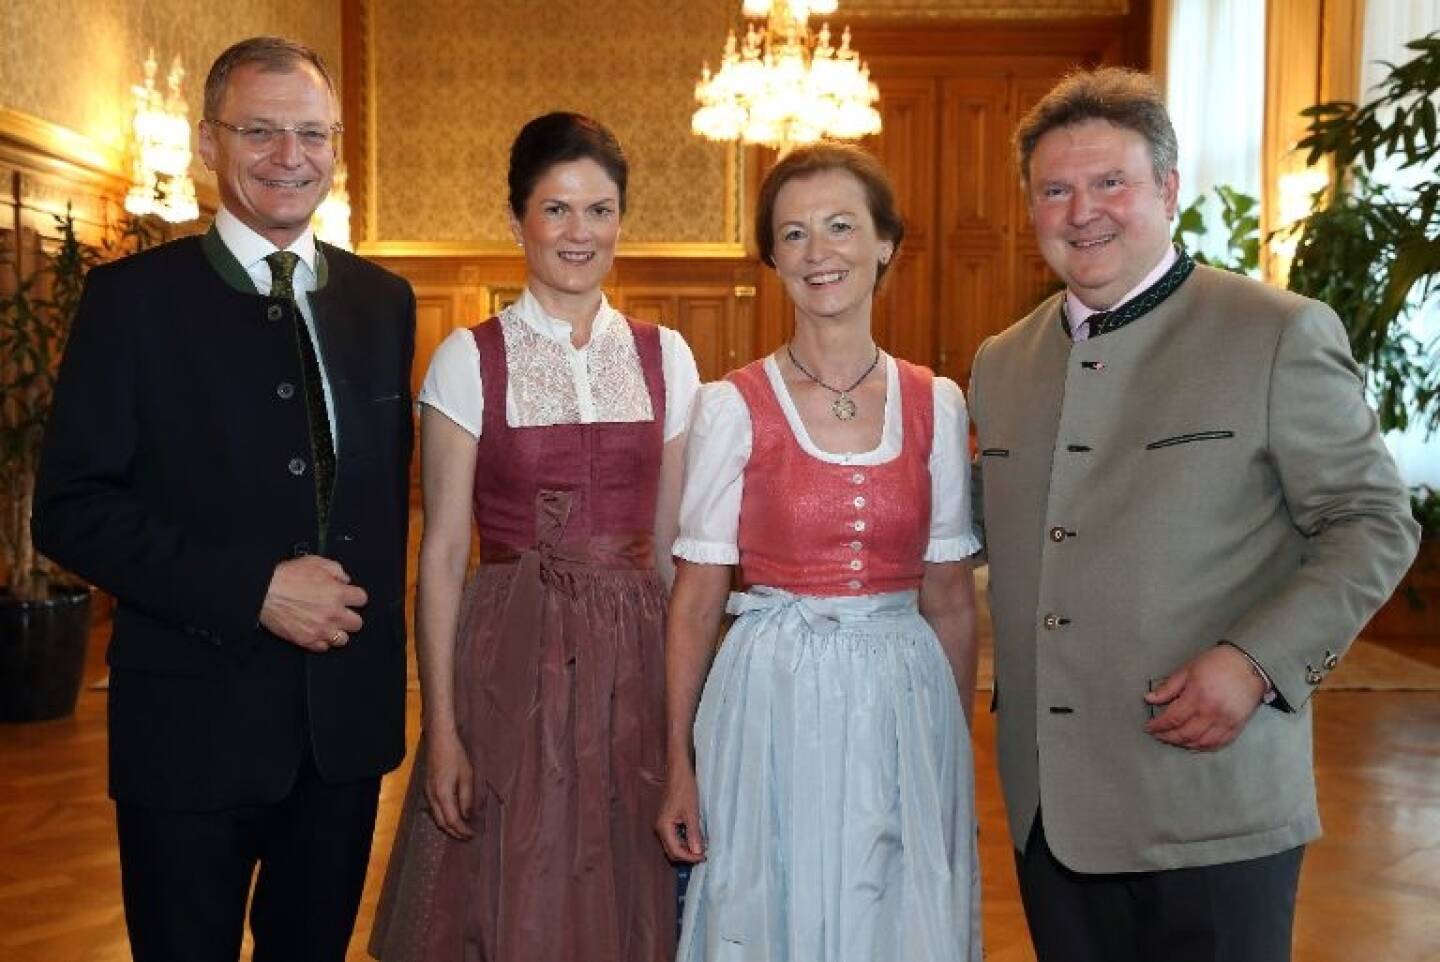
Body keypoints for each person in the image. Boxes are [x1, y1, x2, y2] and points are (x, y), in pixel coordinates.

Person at [968, 67, 1420, 962]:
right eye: (1055, 190)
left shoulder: (1277, 333)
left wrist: (1257, 662)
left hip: (1212, 800)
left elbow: (1373, 519)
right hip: (1051, 810)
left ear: (1168, 190)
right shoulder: (1000, 361)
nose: (1082, 211)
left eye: (1111, 183)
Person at [31, 36, 416, 962]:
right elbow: (72, 509)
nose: (292, 156)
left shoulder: (384, 301)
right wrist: (254, 590)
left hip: (342, 733)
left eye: (313, 133)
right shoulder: (130, 301)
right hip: (190, 731)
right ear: (209, 143)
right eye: (262, 131)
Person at [369, 111, 700, 962]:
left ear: (623, 219)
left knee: (630, 882)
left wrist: (690, 720)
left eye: (599, 209)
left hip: (637, 662)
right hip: (509, 659)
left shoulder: (670, 357)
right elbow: (442, 556)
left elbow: (672, 548)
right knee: (510, 890)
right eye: (556, 209)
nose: (579, 232)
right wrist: (440, 729)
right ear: (517, 218)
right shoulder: (466, 357)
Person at [658, 143, 982, 962]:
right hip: (771, 695)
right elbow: (696, 602)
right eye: (794, 234)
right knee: (774, 904)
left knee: (895, 912)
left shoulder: (937, 403)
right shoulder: (731, 405)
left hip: (903, 696)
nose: (819, 252)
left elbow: (948, 598)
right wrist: (677, 762)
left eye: (841, 226)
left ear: (885, 245)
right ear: (773, 259)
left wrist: (950, 750)